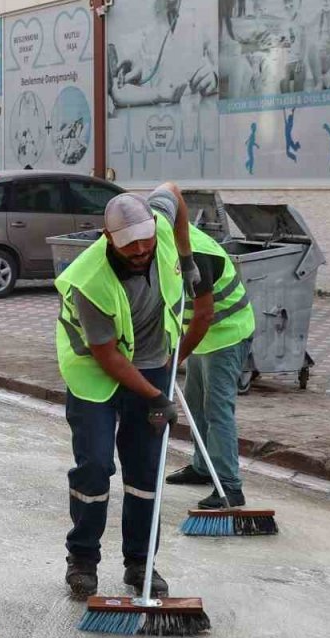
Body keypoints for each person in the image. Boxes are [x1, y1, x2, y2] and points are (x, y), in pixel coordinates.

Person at [55, 185, 214, 600]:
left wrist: (185, 257)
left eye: (147, 240)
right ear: (108, 238)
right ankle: (83, 559)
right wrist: (157, 396)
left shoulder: (156, 225)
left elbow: (174, 194)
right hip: (95, 373)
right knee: (94, 466)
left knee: (145, 469)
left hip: (149, 363)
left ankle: (141, 561)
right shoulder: (89, 280)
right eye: (131, 246)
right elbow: (108, 357)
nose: (143, 250)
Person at [163, 195, 257, 508]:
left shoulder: (197, 254)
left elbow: (203, 314)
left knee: (217, 410)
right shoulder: (164, 240)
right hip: (202, 336)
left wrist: (176, 356)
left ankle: (230, 486)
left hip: (228, 333)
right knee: (196, 405)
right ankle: (203, 468)